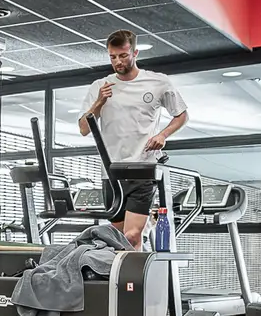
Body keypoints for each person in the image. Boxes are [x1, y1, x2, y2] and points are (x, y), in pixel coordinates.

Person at [78, 29, 189, 246]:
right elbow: (83, 128)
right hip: (111, 172)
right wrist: (99, 102)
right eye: (113, 57)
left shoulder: (158, 82)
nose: (118, 61)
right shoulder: (100, 86)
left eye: (123, 55)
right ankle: (123, 279)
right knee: (117, 240)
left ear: (135, 53)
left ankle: (135, 280)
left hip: (142, 168)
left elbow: (182, 115)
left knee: (132, 236)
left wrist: (163, 134)